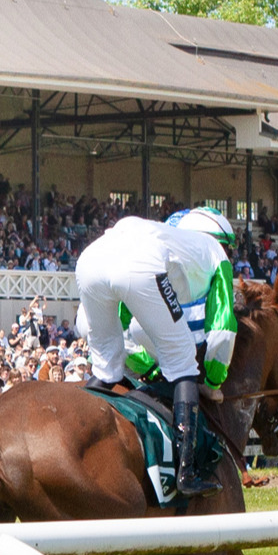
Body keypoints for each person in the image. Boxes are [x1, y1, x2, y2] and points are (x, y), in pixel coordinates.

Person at [73, 206, 236, 496]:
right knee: (184, 362)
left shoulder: (159, 235)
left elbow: (98, 324)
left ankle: (74, 444)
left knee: (106, 369)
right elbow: (223, 329)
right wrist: (212, 381)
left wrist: (138, 363)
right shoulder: (215, 252)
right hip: (138, 266)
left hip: (89, 260)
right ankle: (187, 473)